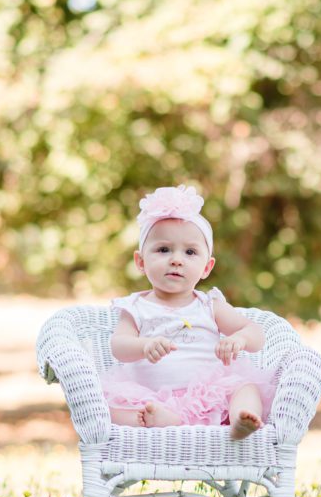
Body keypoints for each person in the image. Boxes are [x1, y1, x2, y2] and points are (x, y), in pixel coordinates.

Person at [101, 185, 277, 440]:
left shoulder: (209, 305)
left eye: (190, 252)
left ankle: (241, 420)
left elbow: (256, 334)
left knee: (245, 387)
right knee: (107, 409)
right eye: (163, 250)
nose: (176, 259)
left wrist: (239, 339)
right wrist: (143, 345)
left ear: (206, 267)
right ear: (140, 261)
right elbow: (118, 346)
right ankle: (159, 421)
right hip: (153, 396)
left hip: (209, 397)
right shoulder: (135, 307)